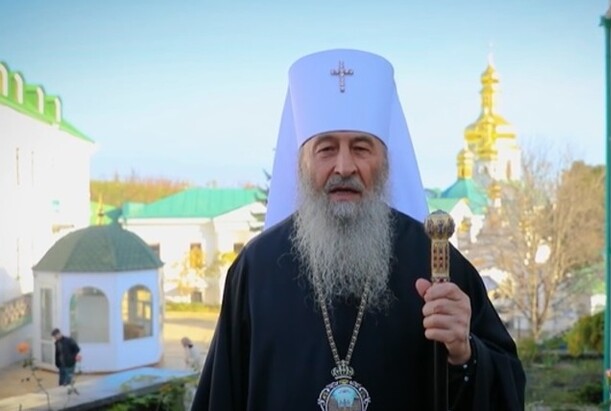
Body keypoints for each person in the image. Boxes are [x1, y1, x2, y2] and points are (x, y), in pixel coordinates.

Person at [192, 49, 525, 410]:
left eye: (362, 148)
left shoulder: (436, 263)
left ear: (384, 160)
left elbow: (507, 387)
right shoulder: (256, 269)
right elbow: (221, 396)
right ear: (302, 162)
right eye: (326, 149)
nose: (344, 166)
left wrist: (464, 352)